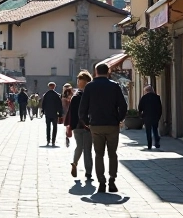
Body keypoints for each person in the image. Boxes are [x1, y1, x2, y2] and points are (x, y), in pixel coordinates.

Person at [78, 63, 127, 193]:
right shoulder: (114, 86)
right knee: (112, 154)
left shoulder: (90, 87)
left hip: (96, 125)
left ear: (96, 72)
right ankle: (112, 180)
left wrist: (87, 122)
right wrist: (119, 119)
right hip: (111, 124)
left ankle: (101, 182)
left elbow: (82, 108)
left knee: (98, 154)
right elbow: (123, 105)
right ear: (108, 71)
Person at [66, 70, 93, 179]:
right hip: (88, 126)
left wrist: (70, 126)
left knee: (79, 146)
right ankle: (88, 172)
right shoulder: (91, 95)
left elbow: (71, 112)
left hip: (77, 125)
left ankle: (75, 162)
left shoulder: (75, 96)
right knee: (87, 150)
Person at [137, 84, 163, 150]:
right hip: (155, 116)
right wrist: (159, 116)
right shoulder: (157, 97)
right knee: (155, 129)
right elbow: (159, 108)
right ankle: (157, 142)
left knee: (148, 131)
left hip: (147, 117)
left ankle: (149, 145)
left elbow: (140, 107)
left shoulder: (144, 97)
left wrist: (141, 115)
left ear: (146, 91)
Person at [41, 82, 63, 146]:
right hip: (54, 113)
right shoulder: (56, 95)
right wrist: (60, 114)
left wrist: (43, 111)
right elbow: (59, 105)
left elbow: (43, 104)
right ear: (54, 87)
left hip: (48, 113)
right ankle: (53, 140)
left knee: (48, 127)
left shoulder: (46, 95)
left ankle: (48, 140)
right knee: (55, 127)